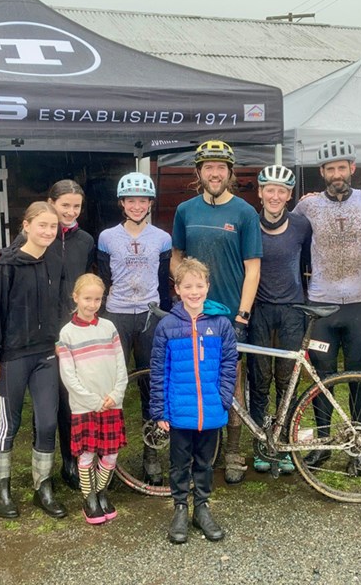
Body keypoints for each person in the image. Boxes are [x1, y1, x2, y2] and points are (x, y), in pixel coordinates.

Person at [293, 139, 361, 476]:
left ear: (352, 168)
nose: (337, 174)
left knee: (358, 377)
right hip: (322, 307)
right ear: (322, 172)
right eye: (330, 169)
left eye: (342, 167)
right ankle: (322, 445)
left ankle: (356, 446)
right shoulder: (308, 206)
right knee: (322, 379)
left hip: (360, 307)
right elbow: (285, 232)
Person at [170, 139, 262, 484]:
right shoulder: (185, 211)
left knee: (232, 383)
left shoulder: (244, 213)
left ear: (230, 173)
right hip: (195, 313)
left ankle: (233, 451)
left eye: (221, 167)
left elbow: (252, 268)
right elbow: (177, 256)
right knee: (195, 380)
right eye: (208, 167)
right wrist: (183, 288)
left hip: (229, 315)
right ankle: (201, 450)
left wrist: (242, 316)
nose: (215, 173)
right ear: (199, 172)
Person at [6, 179, 96, 491]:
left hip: (76, 330)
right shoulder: (31, 241)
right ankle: (43, 468)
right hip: (44, 335)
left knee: (72, 399)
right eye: (64, 205)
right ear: (50, 203)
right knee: (47, 403)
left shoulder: (85, 241)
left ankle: (71, 462)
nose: (70, 212)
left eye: (76, 206)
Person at [0, 201, 68, 520]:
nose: (47, 231)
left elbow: (59, 301)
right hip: (12, 357)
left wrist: (59, 336)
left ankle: (42, 486)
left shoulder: (54, 259)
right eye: (41, 225)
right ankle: (1, 488)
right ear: (26, 225)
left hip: (46, 354)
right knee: (10, 423)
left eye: (53, 227)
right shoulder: (7, 266)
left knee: (47, 422)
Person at [150, 257, 238, 544]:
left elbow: (229, 364)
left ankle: (201, 507)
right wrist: (160, 409)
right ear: (177, 289)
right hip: (179, 411)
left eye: (199, 285)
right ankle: (179, 508)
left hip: (211, 409)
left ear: (207, 287)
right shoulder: (167, 326)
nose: (194, 291)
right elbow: (159, 371)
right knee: (179, 463)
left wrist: (224, 397)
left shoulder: (221, 324)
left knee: (204, 463)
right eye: (188, 286)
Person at [97, 171, 173, 486]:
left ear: (150, 203)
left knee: (150, 384)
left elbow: (165, 283)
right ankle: (106, 455)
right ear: (122, 203)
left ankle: (150, 454)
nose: (137, 206)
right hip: (117, 315)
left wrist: (167, 315)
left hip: (150, 315)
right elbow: (103, 279)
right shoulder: (107, 237)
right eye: (132, 200)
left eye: (143, 200)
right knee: (112, 386)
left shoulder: (162, 238)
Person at [247, 164, 311, 474]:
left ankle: (284, 443)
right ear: (260, 192)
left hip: (292, 311)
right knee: (260, 381)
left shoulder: (301, 226)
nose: (275, 196)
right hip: (259, 309)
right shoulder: (248, 224)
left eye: (281, 191)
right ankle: (262, 444)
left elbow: (311, 264)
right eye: (269, 189)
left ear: (289, 195)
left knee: (288, 381)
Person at [56, 273, 129, 525]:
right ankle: (89, 498)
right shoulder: (67, 334)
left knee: (110, 454)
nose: (92, 304)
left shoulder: (109, 328)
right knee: (86, 454)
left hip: (111, 402)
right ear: (75, 297)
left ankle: (101, 491)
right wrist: (93, 401)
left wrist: (116, 393)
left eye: (97, 299)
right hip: (85, 406)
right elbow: (68, 376)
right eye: (87, 298)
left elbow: (121, 364)